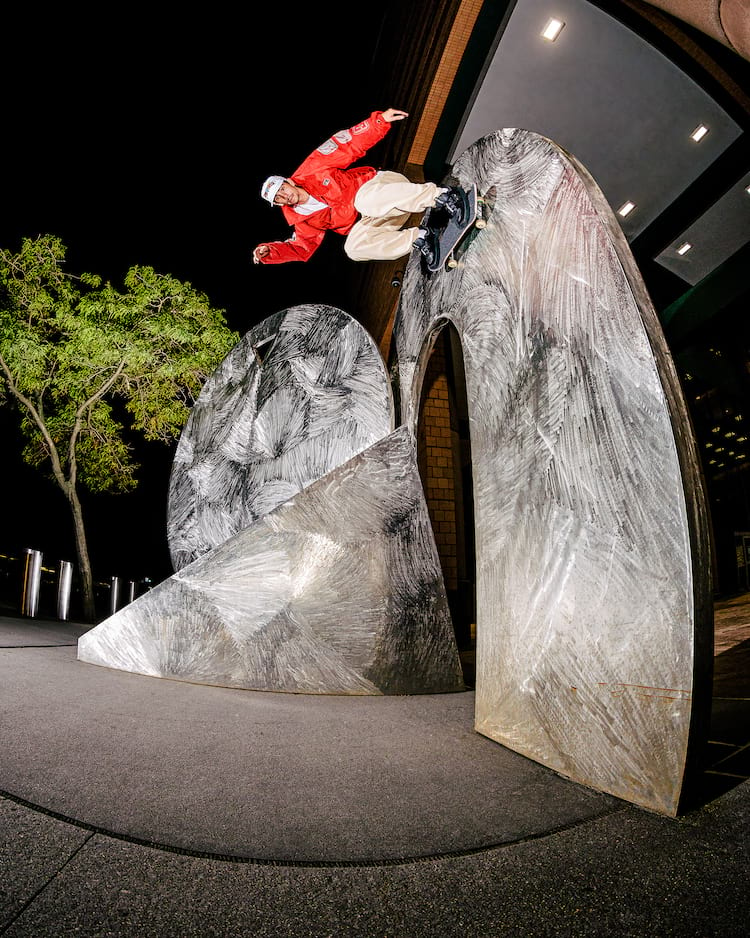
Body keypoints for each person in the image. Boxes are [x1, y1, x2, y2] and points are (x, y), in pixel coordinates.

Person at [252, 108, 469, 266]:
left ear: (288, 181)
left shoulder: (313, 168)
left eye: (282, 190)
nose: (285, 197)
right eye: (278, 199)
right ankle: (420, 238)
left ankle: (443, 197)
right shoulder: (302, 220)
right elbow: (300, 248)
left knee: (363, 201)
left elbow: (349, 144)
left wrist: (379, 121)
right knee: (352, 249)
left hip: (384, 187)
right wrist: (270, 252)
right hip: (384, 215)